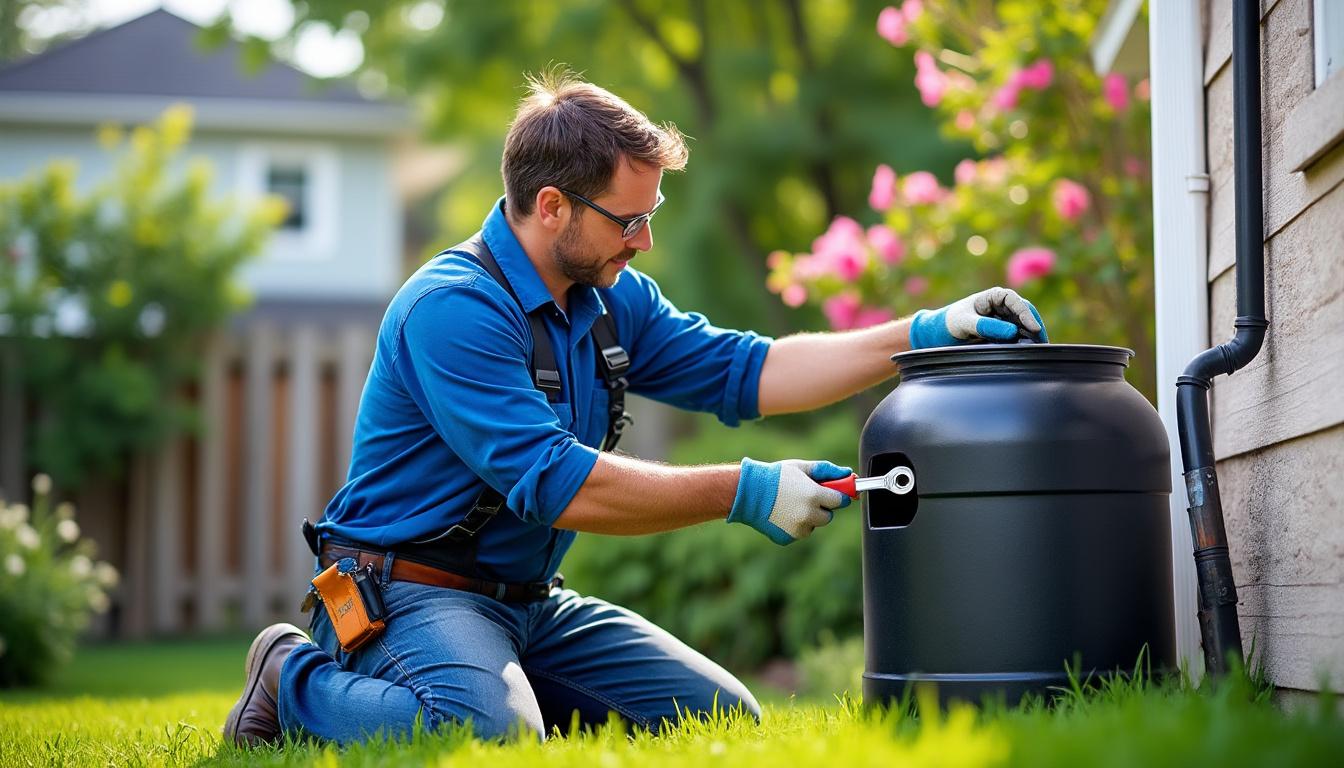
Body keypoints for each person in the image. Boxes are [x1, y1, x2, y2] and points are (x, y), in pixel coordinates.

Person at [223, 70, 1047, 747]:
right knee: (483, 740)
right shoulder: (453, 309)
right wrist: (746, 491)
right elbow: (561, 487)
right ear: (552, 207)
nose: (645, 240)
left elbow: (748, 369)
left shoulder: (610, 297)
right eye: (630, 219)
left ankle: (503, 687)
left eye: (650, 217)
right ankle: (291, 676)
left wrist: (929, 331)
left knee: (721, 720)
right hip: (410, 595)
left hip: (529, 603)